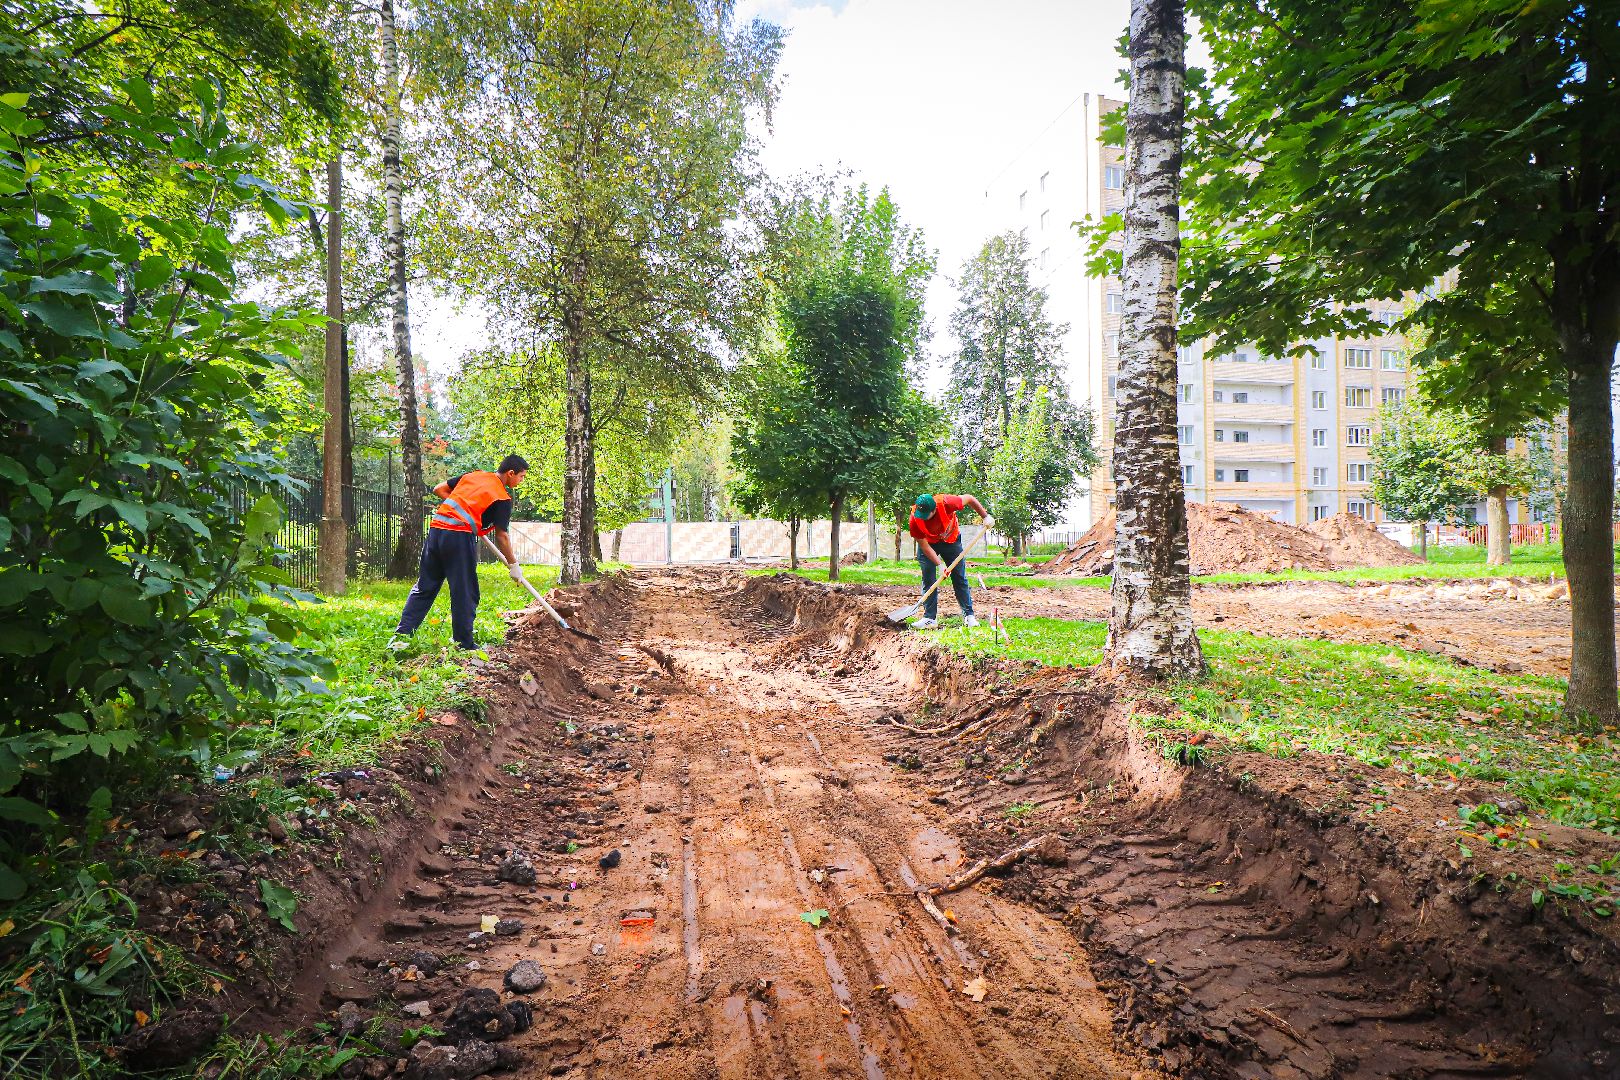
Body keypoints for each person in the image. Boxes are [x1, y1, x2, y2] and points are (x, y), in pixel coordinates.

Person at [394, 455, 529, 651]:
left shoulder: (474, 476)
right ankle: (464, 644)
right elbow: (502, 536)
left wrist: (461, 508)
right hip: (458, 536)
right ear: (510, 473)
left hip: (437, 530)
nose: (521, 481)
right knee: (465, 591)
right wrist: (514, 565)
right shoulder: (502, 497)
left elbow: (439, 489)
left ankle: (400, 639)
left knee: (425, 587)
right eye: (522, 477)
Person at [907, 493, 990, 629]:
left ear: (933, 510)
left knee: (959, 577)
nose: (922, 518)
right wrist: (939, 565)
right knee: (928, 578)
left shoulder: (947, 502)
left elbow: (969, 498)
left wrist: (985, 517)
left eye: (926, 515)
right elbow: (923, 545)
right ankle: (929, 618)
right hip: (929, 544)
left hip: (951, 541)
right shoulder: (914, 519)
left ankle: (969, 616)